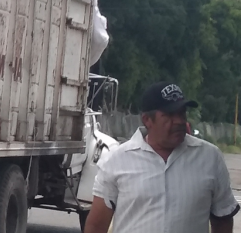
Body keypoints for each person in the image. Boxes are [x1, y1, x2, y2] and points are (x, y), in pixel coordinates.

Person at [85, 82, 240, 233]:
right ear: (147, 120)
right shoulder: (116, 160)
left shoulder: (210, 158)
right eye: (170, 115)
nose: (179, 121)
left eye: (182, 113)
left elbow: (223, 219)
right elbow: (97, 225)